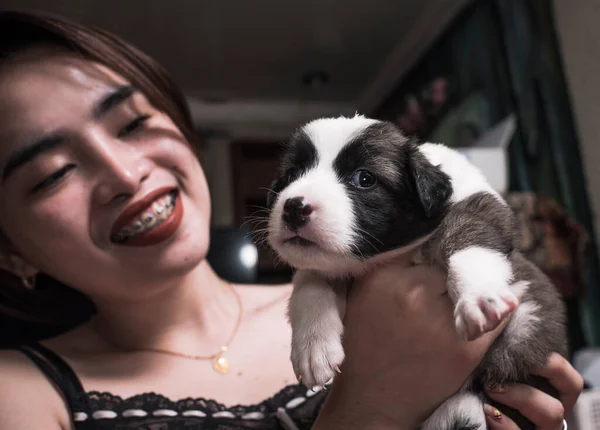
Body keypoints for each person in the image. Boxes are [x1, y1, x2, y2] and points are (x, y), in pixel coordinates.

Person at [0, 10, 583, 430]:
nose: (126, 174)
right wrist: (368, 408)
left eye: (130, 123)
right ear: (9, 249)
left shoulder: (374, 283)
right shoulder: (18, 395)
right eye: (52, 172)